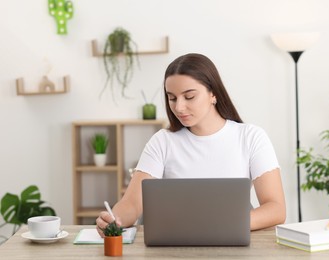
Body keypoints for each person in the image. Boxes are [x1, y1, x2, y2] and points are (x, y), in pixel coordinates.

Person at [96, 53, 286, 236]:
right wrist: (115, 219)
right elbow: (132, 203)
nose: (178, 107)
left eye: (189, 97)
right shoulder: (162, 141)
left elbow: (276, 209)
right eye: (172, 98)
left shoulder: (251, 137)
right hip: (175, 246)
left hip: (231, 242)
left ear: (213, 94)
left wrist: (221, 225)